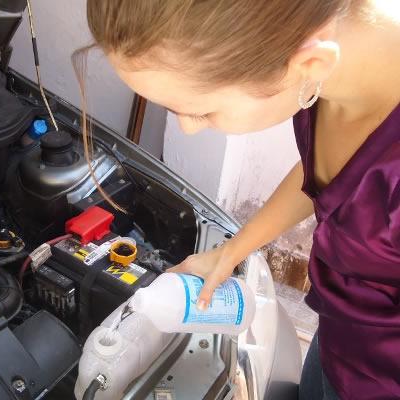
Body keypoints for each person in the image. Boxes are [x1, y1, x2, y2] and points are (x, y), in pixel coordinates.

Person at [74, 1, 400, 398]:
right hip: (339, 338)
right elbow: (327, 175)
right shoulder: (340, 67)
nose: (187, 129)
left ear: (310, 64)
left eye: (202, 112)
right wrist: (232, 250)